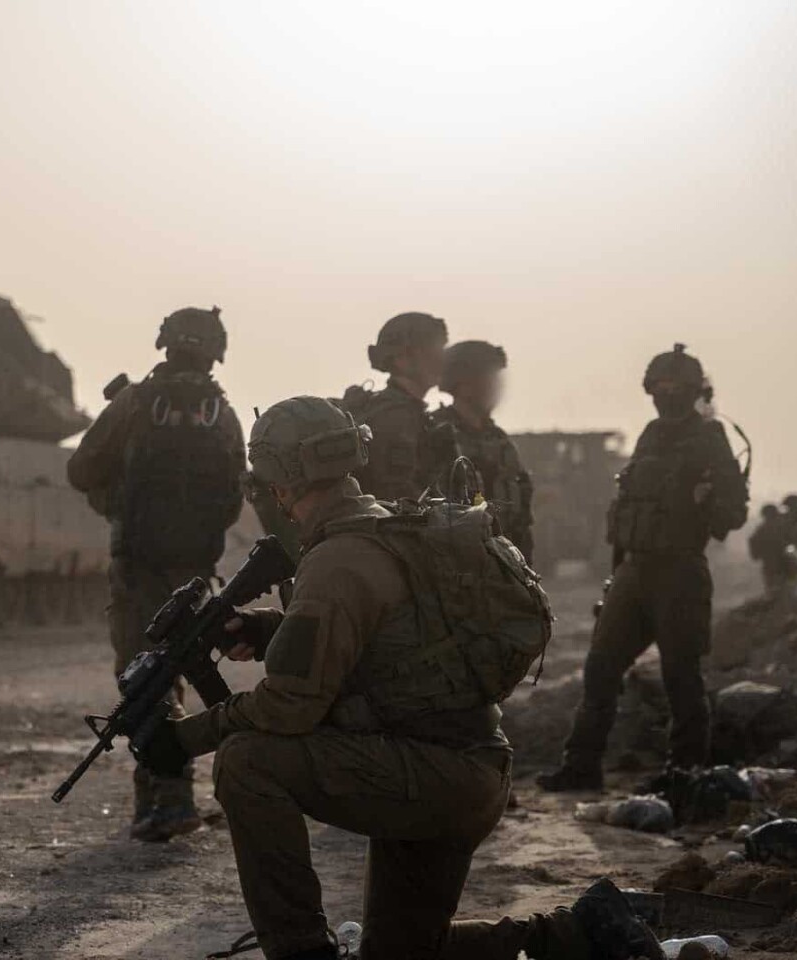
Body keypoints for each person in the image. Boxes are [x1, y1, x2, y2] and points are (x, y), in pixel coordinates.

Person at [136, 395, 664, 960]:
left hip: (429, 773)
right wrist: (270, 629)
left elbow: (289, 707)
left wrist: (184, 740)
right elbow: (390, 638)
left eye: (265, 480)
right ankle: (580, 933)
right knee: (400, 953)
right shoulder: (388, 522)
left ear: (285, 478)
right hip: (464, 765)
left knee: (246, 759)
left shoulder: (337, 558)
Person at [66, 306, 245, 841]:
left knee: (143, 676)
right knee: (177, 674)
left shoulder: (135, 403)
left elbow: (79, 471)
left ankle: (165, 801)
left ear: (165, 343)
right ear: (216, 350)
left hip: (137, 564)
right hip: (195, 568)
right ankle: (170, 796)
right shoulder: (225, 415)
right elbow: (233, 498)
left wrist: (115, 500)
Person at [539, 344, 748, 793]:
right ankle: (581, 767)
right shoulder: (651, 434)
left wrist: (708, 498)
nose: (666, 395)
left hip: (680, 572)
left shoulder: (710, 437)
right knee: (601, 669)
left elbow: (733, 514)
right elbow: (627, 510)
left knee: (680, 676)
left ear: (694, 390)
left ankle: (685, 774)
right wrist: (614, 578)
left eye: (676, 388)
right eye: (659, 387)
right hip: (633, 571)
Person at [425, 340, 535, 563]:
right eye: (489, 379)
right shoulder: (435, 435)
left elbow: (521, 518)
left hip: (504, 565)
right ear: (464, 385)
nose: (497, 387)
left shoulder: (500, 441)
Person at [342, 312, 448, 501]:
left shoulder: (410, 412)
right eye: (432, 351)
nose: (441, 360)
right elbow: (396, 497)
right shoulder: (394, 417)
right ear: (402, 358)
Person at [747, 503, 797, 593]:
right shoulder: (780, 529)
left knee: (775, 593)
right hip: (780, 568)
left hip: (774, 568)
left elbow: (755, 555)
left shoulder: (761, 531)